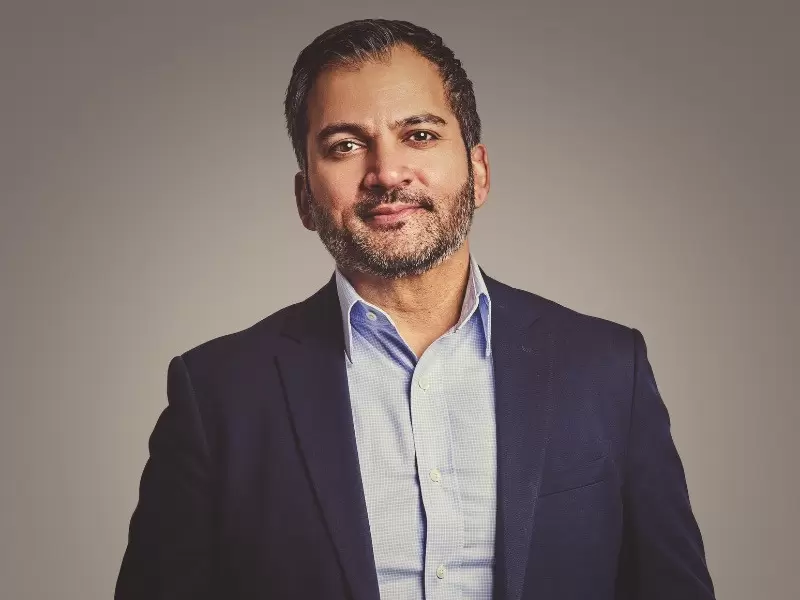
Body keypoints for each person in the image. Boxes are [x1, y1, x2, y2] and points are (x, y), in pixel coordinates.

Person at [115, 18, 715, 600]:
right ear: (304, 198)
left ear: (478, 171)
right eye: (345, 146)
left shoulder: (607, 369)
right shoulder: (216, 393)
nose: (386, 173)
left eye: (420, 135)